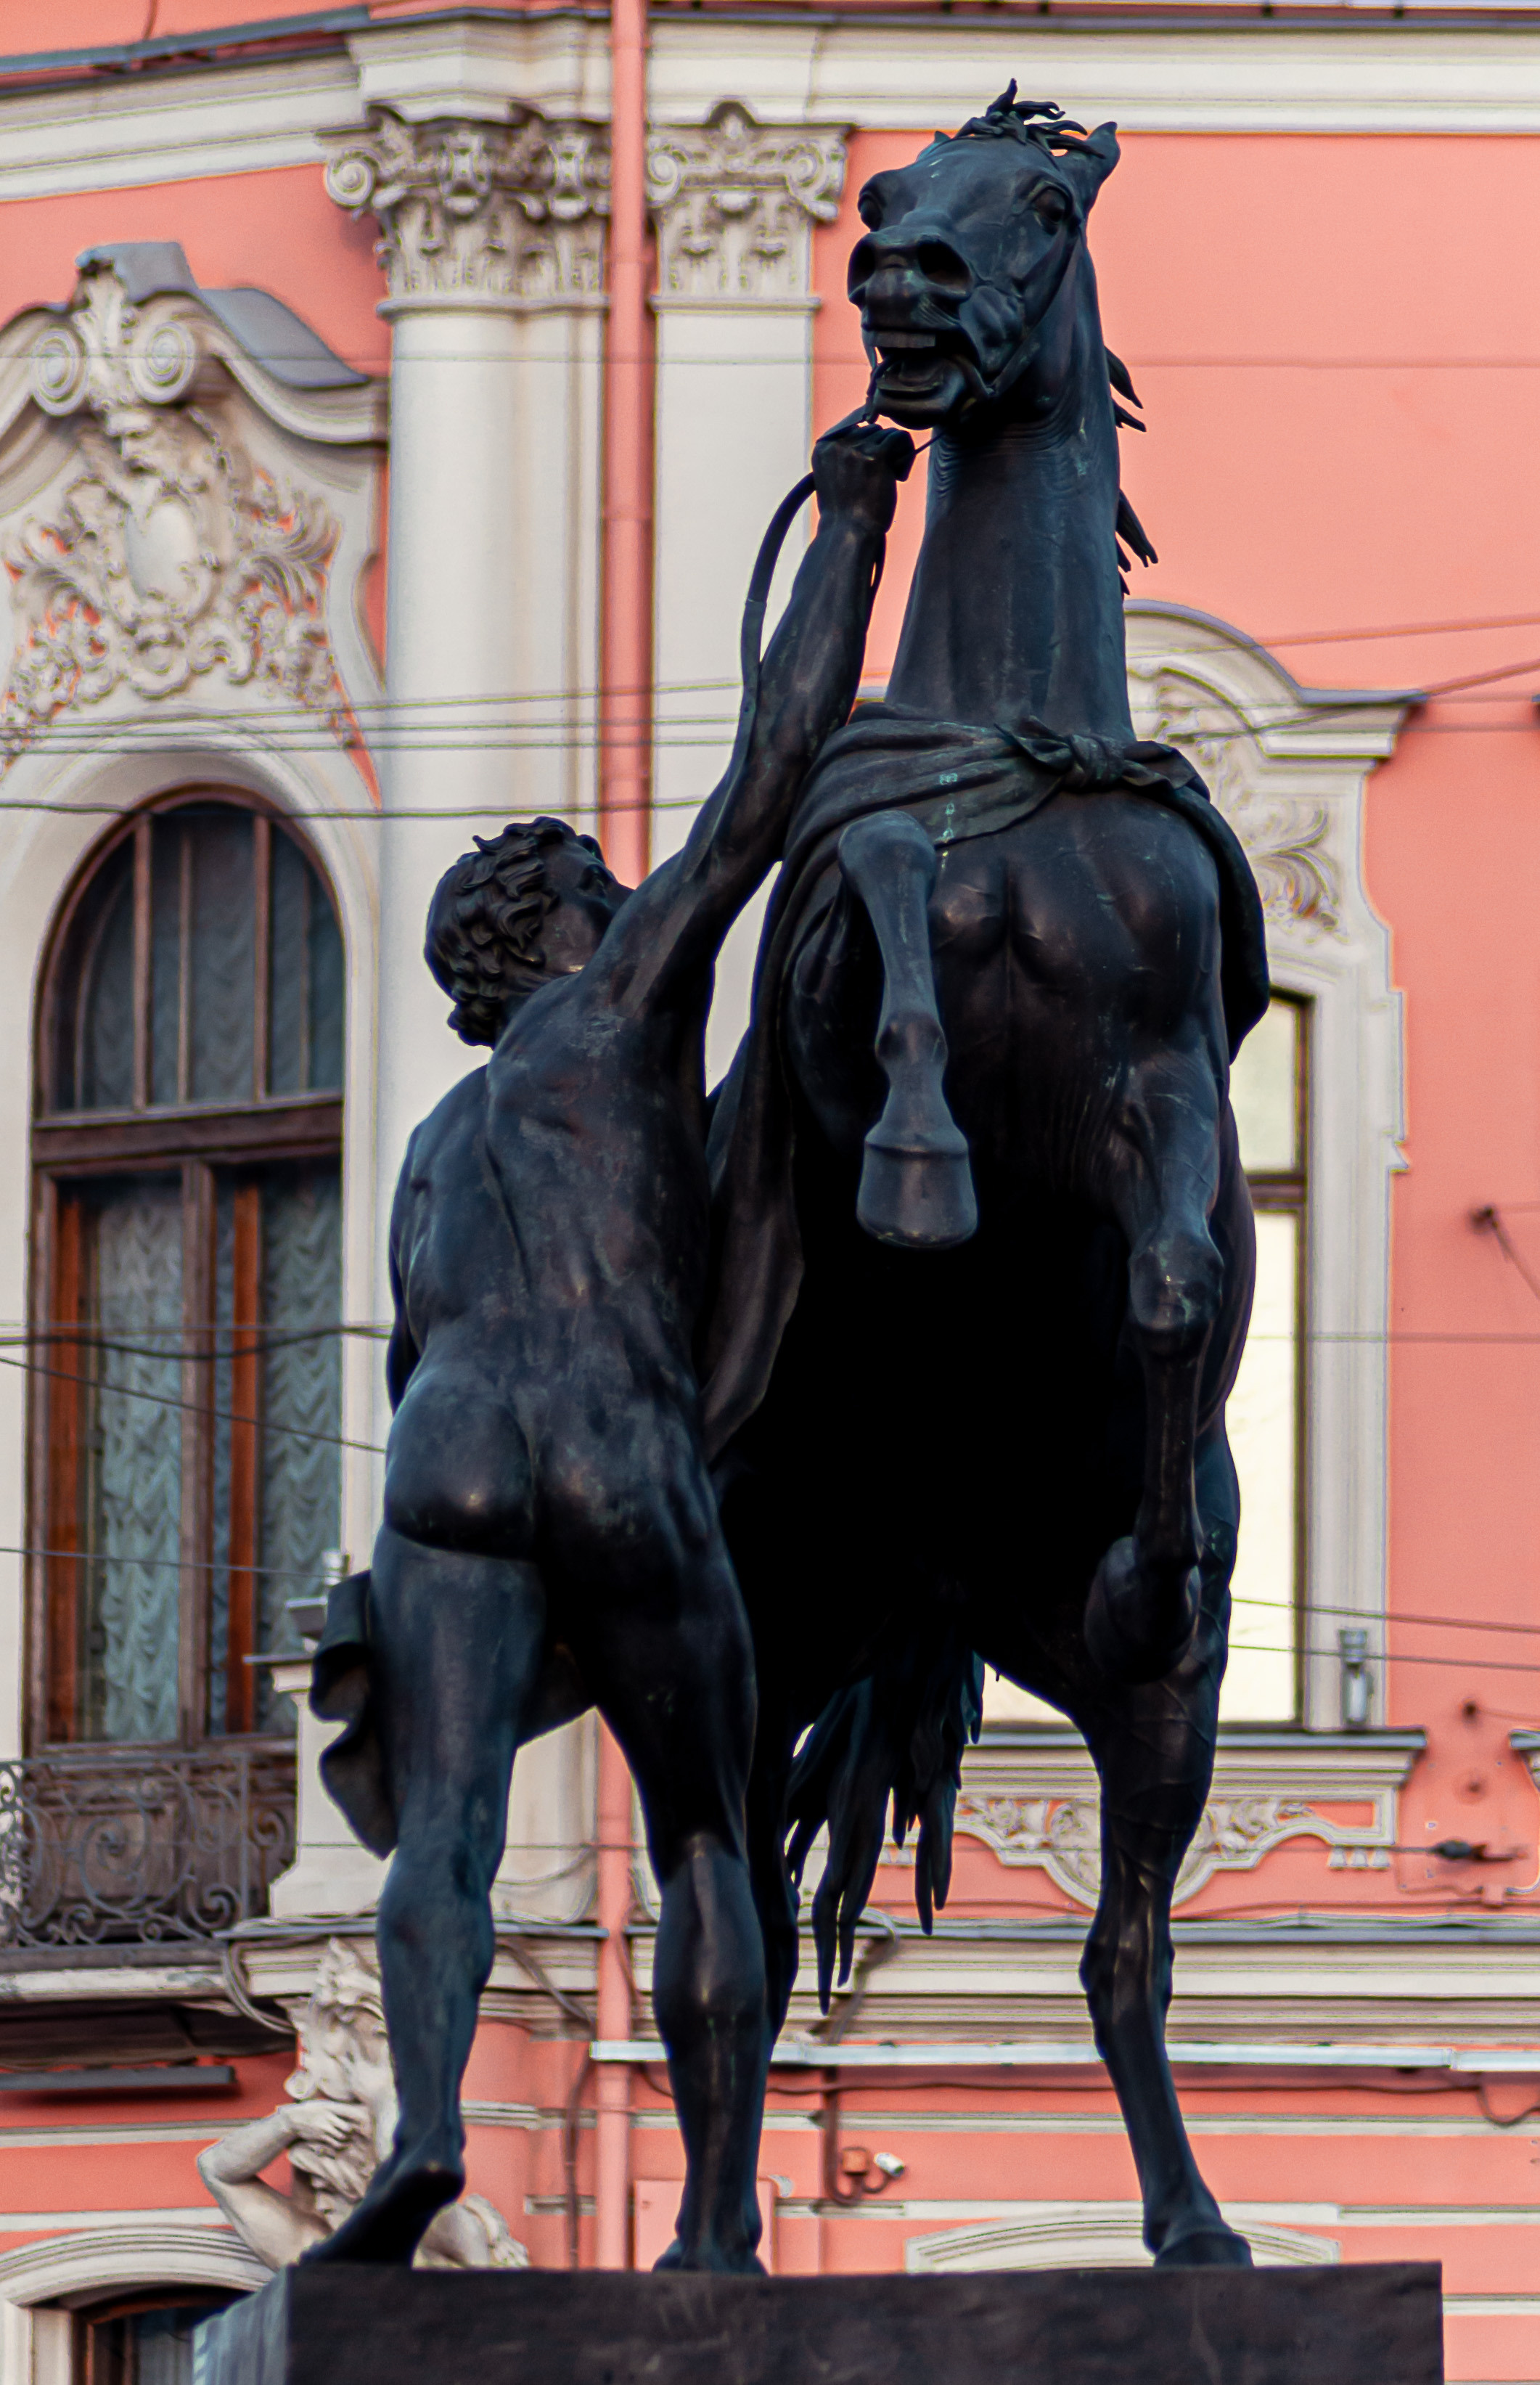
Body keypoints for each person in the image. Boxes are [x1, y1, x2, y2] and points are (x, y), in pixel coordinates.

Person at [308, 420, 913, 2270]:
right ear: (557, 928)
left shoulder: (433, 1145)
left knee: (448, 1837)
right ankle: (718, 2222)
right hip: (618, 1443)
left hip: (449, 1458)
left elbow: (417, 1362)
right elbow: (767, 773)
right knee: (704, 1834)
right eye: (595, 880)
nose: (617, 892)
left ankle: (422, 2136)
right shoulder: (613, 1016)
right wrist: (855, 533)